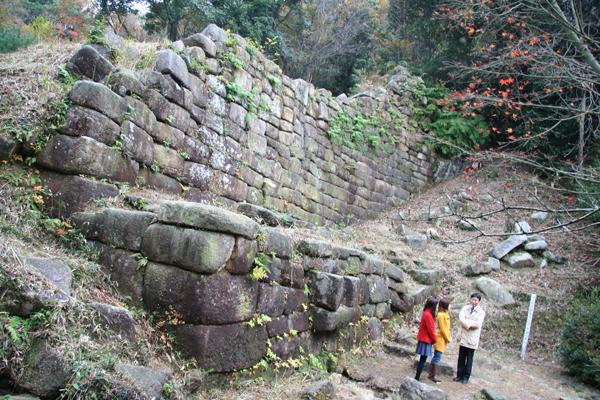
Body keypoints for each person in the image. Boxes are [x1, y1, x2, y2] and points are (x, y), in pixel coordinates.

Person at [453, 292, 486, 384]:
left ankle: (466, 377)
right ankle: (459, 376)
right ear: (470, 299)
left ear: (479, 302)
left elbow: (477, 325)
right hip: (463, 337)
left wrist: (466, 322)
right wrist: (470, 323)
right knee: (461, 358)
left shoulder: (481, 312)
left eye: (476, 300)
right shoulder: (464, 308)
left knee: (469, 360)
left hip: (472, 338)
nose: (474, 301)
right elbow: (461, 319)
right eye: (473, 299)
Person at [414, 296, 438, 381]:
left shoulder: (426, 312)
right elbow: (431, 330)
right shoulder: (428, 315)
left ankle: (417, 376)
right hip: (426, 340)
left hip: (424, 339)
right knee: (422, 360)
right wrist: (435, 340)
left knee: (422, 359)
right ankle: (417, 377)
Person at [429, 297, 452, 383]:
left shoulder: (445, 314)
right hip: (440, 338)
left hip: (443, 339)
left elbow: (447, 328)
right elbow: (442, 329)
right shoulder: (441, 315)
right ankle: (432, 375)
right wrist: (448, 338)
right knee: (437, 357)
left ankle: (432, 374)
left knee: (437, 356)